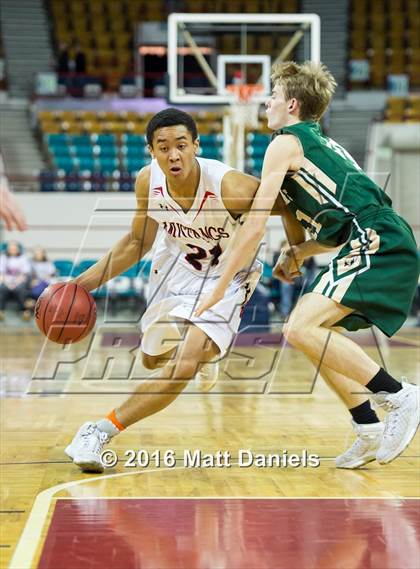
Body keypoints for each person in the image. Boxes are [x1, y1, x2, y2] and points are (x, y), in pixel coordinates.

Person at [196, 61, 420, 468]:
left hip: (377, 238)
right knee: (313, 334)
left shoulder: (284, 143)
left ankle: (401, 395)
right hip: (373, 235)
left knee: (298, 328)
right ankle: (366, 425)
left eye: (275, 96)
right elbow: (326, 227)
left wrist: (217, 286)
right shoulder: (317, 145)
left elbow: (256, 222)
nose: (267, 102)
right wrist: (297, 251)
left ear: (293, 104)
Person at [64, 108, 283, 472]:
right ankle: (206, 356)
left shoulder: (230, 186)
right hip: (177, 270)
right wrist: (77, 287)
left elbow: (283, 204)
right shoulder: (147, 182)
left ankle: (98, 431)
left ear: (196, 145)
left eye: (181, 145)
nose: (173, 154)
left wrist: (297, 248)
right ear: (151, 150)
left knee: (184, 364)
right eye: (163, 147)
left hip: (225, 278)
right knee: (151, 359)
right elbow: (137, 244)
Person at [0, 241, 31, 321]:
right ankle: (1, 311)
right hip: (6, 281)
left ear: (18, 249)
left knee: (20, 289)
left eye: (14, 248)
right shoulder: (3, 258)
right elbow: (2, 274)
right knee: (2, 288)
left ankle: (23, 312)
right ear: (8, 249)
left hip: (19, 281)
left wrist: (15, 284)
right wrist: (8, 284)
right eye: (11, 248)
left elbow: (24, 274)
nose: (13, 249)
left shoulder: (23, 258)